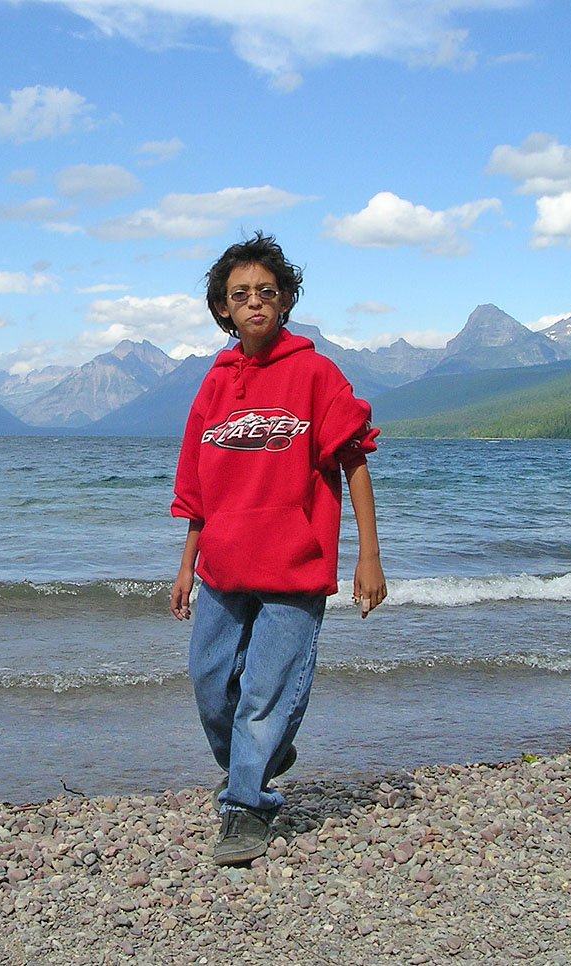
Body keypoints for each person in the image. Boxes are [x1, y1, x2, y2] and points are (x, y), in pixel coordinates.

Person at [170, 231, 387, 866]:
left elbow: (355, 462)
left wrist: (367, 556)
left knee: (266, 691)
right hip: (222, 565)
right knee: (210, 682)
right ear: (223, 310)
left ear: (286, 300)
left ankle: (246, 806)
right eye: (241, 295)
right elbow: (196, 486)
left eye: (267, 292)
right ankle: (255, 756)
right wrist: (186, 563)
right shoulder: (214, 383)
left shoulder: (316, 374)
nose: (255, 303)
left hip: (294, 565)